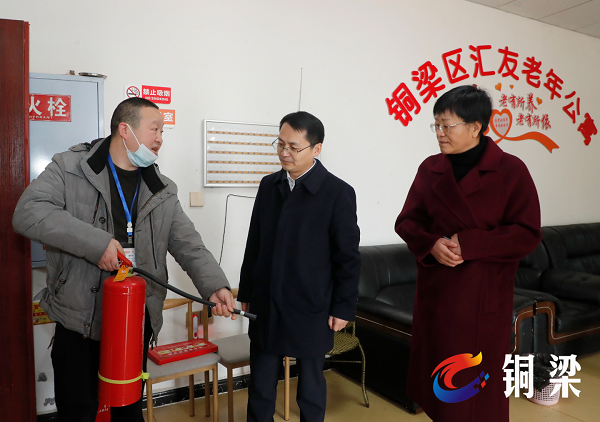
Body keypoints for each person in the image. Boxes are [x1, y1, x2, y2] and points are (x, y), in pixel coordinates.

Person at [13, 97, 236, 422]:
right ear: (125, 130)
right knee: (78, 410)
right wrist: (96, 243)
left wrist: (214, 285)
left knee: (128, 409)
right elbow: (28, 212)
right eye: (154, 129)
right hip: (78, 318)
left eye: (162, 131)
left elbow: (188, 243)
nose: (160, 138)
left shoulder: (161, 189)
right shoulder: (70, 168)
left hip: (133, 319)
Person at [394, 85, 542, 422]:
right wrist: (431, 243)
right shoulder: (430, 168)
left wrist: (471, 244)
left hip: (481, 300)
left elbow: (527, 233)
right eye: (436, 125)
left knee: (476, 391)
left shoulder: (510, 170)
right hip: (437, 295)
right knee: (439, 386)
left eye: (447, 126)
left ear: (475, 127)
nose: (440, 134)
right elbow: (407, 221)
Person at [238, 111, 361, 422]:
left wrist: (343, 307)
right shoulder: (270, 185)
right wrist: (247, 291)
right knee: (261, 384)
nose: (284, 152)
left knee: (311, 387)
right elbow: (254, 243)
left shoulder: (337, 193)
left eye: (293, 147)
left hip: (311, 304)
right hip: (267, 300)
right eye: (280, 144)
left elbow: (347, 257)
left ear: (316, 149)